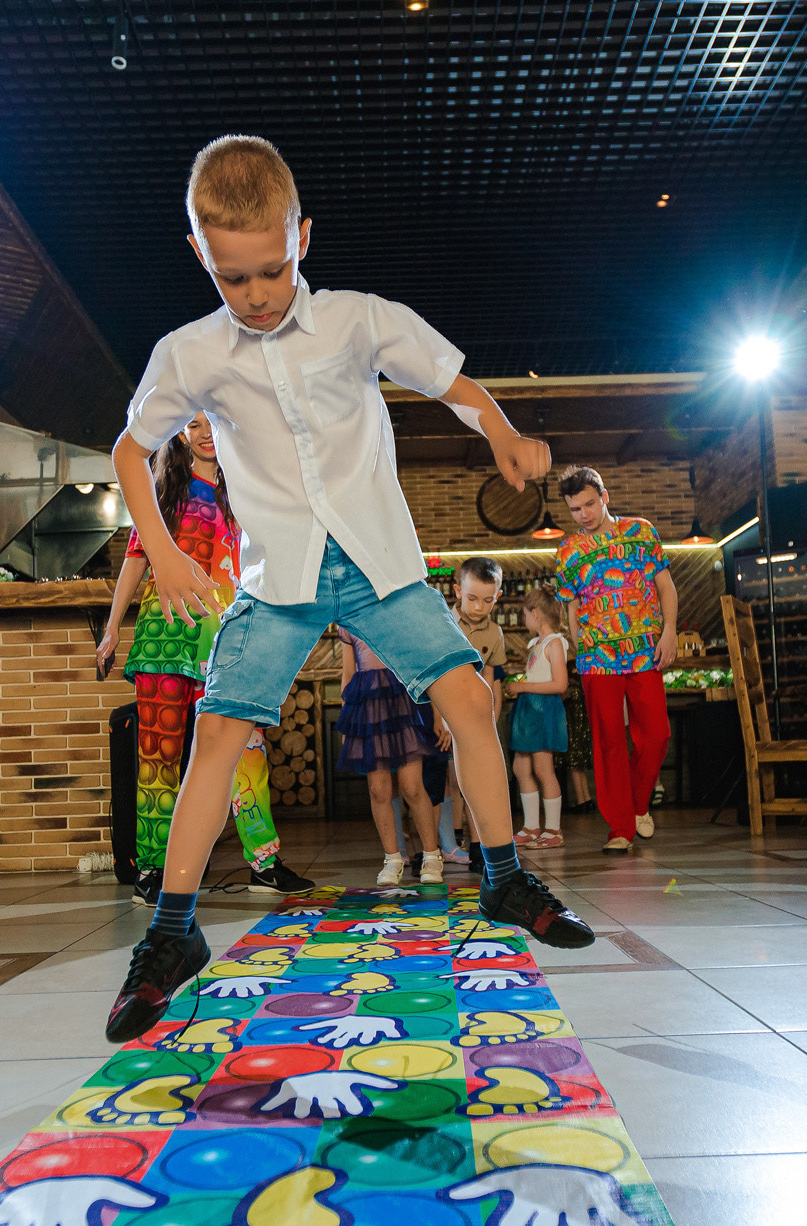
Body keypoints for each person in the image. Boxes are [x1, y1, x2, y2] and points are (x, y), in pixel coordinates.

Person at [103, 134, 594, 1044]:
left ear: (302, 237)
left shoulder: (359, 320)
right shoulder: (190, 352)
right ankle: (172, 933)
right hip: (277, 577)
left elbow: (453, 383)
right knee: (218, 732)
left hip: (379, 566)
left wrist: (499, 431)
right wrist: (164, 553)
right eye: (232, 277)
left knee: (469, 697)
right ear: (199, 254)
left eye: (272, 270)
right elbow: (132, 450)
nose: (256, 294)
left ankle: (503, 877)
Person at [95, 412, 313, 903]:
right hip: (165, 644)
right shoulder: (163, 494)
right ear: (179, 432)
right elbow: (136, 559)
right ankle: (153, 870)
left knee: (248, 753)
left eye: (211, 421)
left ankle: (264, 863)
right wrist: (112, 627)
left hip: (229, 645)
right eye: (193, 425)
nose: (205, 433)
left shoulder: (246, 491)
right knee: (160, 759)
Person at [554, 466, 677, 854]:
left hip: (645, 653)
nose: (584, 514)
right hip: (596, 659)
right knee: (608, 744)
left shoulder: (641, 531)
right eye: (575, 509)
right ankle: (621, 829)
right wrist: (580, 649)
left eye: (590, 504)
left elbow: (665, 586)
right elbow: (572, 607)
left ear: (604, 496)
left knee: (657, 735)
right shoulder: (568, 551)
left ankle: (638, 804)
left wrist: (670, 630)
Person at [336, 631, 447, 889]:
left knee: (412, 786)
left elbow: (425, 667)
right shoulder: (347, 622)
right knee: (378, 789)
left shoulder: (401, 612)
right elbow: (348, 672)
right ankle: (392, 858)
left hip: (403, 699)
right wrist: (347, 719)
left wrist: (438, 714)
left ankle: (432, 856)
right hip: (368, 704)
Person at [448, 556, 506, 872]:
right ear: (458, 590)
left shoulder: (495, 632)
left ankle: (480, 846)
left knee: (478, 782)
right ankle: (446, 842)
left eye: (487, 601)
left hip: (478, 717)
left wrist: (492, 715)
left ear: (497, 597)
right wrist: (440, 720)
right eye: (472, 599)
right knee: (452, 782)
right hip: (447, 713)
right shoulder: (445, 625)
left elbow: (491, 678)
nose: (479, 607)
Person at [505, 587, 569, 848]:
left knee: (544, 769)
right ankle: (531, 826)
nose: (524, 620)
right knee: (521, 768)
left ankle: (553, 830)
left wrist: (522, 686)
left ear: (536, 614)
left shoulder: (555, 643)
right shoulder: (536, 644)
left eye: (525, 615)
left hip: (543, 711)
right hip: (529, 710)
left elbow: (560, 684)